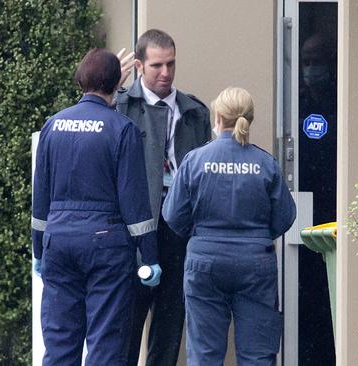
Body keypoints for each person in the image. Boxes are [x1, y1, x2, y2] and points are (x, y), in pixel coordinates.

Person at [31, 48, 161, 366]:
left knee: (60, 342)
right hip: (106, 247)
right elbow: (135, 203)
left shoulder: (53, 126)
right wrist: (151, 257)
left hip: (59, 244)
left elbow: (40, 201)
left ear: (80, 80)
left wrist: (39, 252)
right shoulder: (122, 129)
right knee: (105, 344)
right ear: (117, 84)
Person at [162, 87, 296, 365]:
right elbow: (284, 216)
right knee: (258, 355)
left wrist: (200, 236)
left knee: (204, 355)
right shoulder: (265, 164)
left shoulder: (195, 161)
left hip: (205, 262)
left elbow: (173, 214)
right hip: (255, 264)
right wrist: (256, 237)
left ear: (219, 116)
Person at [115, 29, 211, 366]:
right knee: (127, 321)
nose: (166, 73)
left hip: (179, 228)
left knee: (170, 321)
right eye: (157, 65)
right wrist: (112, 86)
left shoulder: (195, 112)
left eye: (171, 64)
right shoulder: (121, 105)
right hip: (135, 227)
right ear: (139, 66)